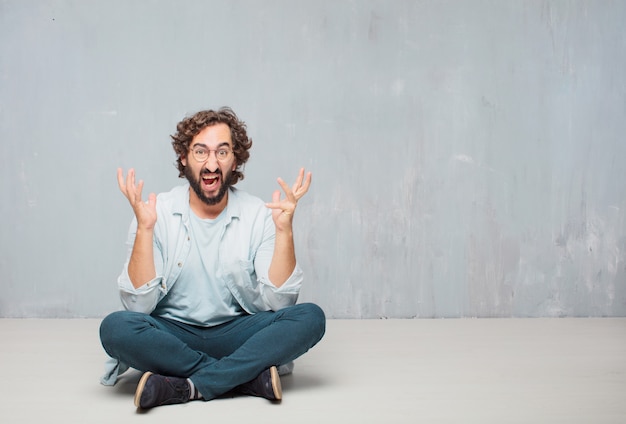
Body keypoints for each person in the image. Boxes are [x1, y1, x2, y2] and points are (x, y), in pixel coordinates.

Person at [99, 107, 326, 409]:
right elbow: (138, 307)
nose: (211, 162)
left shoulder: (258, 214)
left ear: (235, 160)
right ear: (184, 158)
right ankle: (244, 377)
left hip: (239, 332)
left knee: (311, 318)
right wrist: (145, 229)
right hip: (172, 333)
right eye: (200, 151)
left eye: (222, 151)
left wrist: (284, 231)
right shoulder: (157, 212)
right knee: (115, 328)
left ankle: (188, 386)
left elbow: (280, 305)